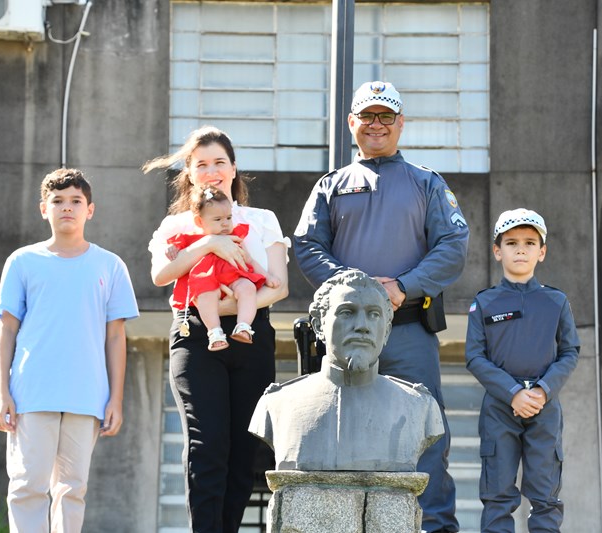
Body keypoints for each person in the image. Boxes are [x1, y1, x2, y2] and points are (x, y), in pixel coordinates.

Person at [293, 80, 468, 533]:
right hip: (347, 335)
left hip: (408, 331)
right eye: (366, 116)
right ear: (351, 123)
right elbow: (308, 245)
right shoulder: (331, 185)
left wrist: (402, 287)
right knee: (339, 431)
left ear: (400, 123)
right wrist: (353, 290)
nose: (376, 124)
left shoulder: (427, 183)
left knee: (425, 435)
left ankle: (432, 527)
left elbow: (452, 246)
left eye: (385, 116)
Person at [144, 125, 289, 533]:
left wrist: (233, 306)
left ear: (234, 168)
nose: (212, 171)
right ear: (190, 173)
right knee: (207, 445)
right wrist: (208, 244)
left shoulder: (261, 220)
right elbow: (161, 275)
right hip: (195, 336)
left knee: (244, 451)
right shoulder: (175, 227)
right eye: (201, 164)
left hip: (251, 333)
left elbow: (279, 285)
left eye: (219, 163)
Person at [0, 168, 139, 532]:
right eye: (58, 201)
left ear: (91, 209)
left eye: (76, 201)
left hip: (86, 395)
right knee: (27, 486)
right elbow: (7, 329)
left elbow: (116, 337)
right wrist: (1, 393)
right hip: (31, 393)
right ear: (44, 209)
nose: (67, 208)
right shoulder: (23, 261)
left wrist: (115, 399)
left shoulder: (110, 265)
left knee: (72, 489)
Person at [249, 270, 444, 472]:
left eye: (374, 315)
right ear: (318, 326)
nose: (362, 326)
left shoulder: (419, 406)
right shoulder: (278, 404)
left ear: (386, 331)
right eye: (347, 312)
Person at [465, 208, 580, 533]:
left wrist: (542, 390)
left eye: (530, 243)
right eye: (512, 242)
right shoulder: (485, 303)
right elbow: (474, 357)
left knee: (545, 496)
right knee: (497, 494)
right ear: (497, 251)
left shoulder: (555, 301)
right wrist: (513, 392)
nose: (520, 249)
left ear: (541, 252)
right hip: (500, 408)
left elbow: (570, 351)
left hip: (545, 406)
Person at [166, 185, 281, 351]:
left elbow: (249, 261)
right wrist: (172, 249)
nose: (225, 224)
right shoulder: (194, 240)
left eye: (228, 218)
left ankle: (243, 326)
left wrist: (267, 277)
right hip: (206, 279)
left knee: (247, 288)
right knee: (205, 296)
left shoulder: (235, 238)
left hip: (234, 277)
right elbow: (177, 251)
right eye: (218, 220)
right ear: (200, 221)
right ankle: (214, 332)